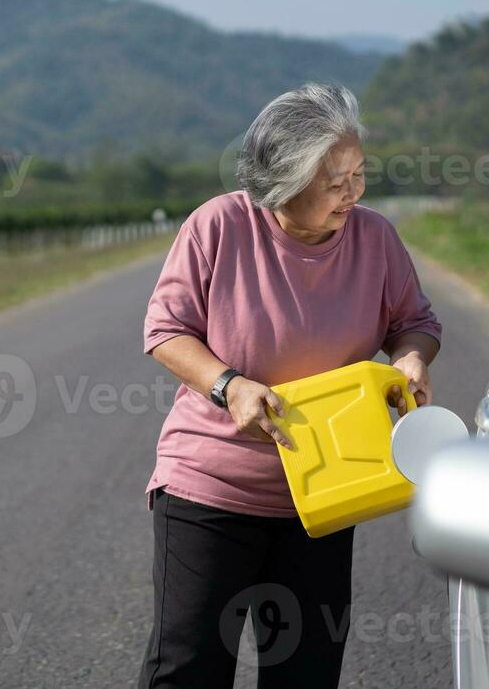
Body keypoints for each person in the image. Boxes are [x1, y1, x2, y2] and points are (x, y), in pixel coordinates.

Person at [137, 83, 442, 688]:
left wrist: (411, 360)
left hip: (327, 495)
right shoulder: (219, 226)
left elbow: (415, 323)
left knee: (305, 673)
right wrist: (229, 385)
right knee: (188, 667)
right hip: (210, 488)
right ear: (282, 181)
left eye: (359, 174)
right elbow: (166, 329)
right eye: (335, 182)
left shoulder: (375, 239)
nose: (353, 193)